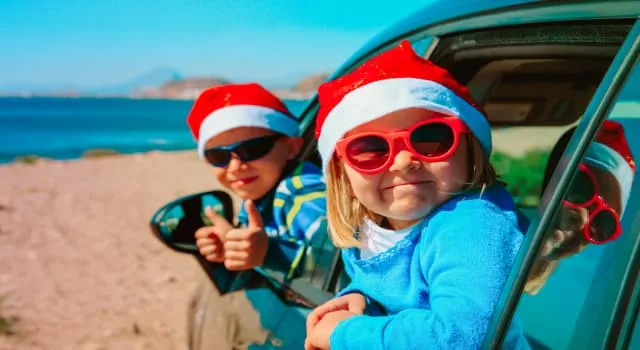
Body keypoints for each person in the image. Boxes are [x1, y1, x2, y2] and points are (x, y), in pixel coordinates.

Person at [305, 40, 529, 350]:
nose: (403, 162)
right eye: (369, 149)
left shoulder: (470, 223)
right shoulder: (368, 229)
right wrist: (358, 297)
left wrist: (344, 334)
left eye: (431, 138)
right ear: (342, 173)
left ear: (470, 150)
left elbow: (462, 336)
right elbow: (388, 288)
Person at [186, 82, 327, 277]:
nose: (236, 167)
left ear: (292, 147)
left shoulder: (299, 192)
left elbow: (342, 256)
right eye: (218, 157)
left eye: (251, 149)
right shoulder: (258, 199)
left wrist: (269, 253)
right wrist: (231, 245)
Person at [525, 120, 635, 294]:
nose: (583, 219)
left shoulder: (585, 287)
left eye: (602, 223)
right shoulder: (492, 228)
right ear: (551, 183)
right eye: (581, 189)